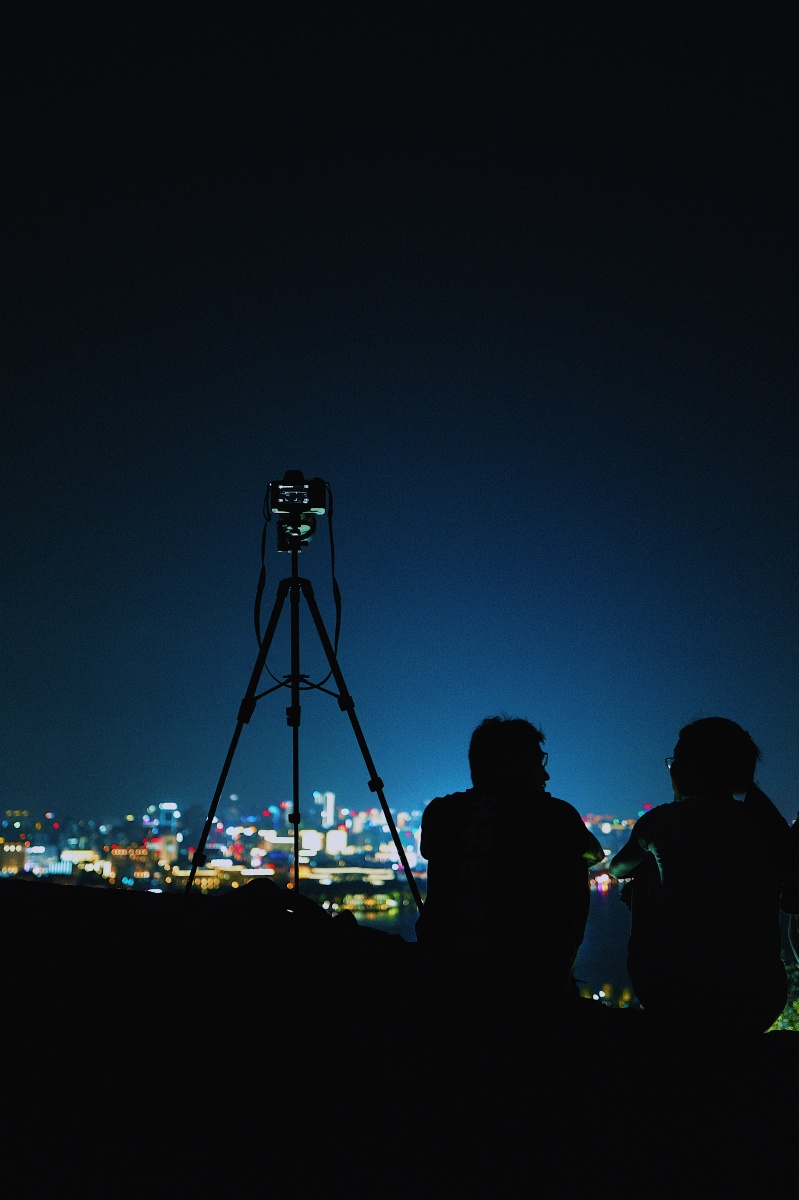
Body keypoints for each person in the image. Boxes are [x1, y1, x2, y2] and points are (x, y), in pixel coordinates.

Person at [607, 716, 791, 1035]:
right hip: (760, 996)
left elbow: (617, 868)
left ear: (686, 769)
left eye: (674, 762)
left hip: (679, 994)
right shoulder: (765, 824)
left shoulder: (663, 821)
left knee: (644, 872)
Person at [415, 715, 605, 1015]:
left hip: (444, 973)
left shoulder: (441, 812)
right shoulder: (553, 817)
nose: (546, 776)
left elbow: (431, 851)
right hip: (527, 987)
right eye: (537, 761)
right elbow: (594, 854)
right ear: (513, 763)